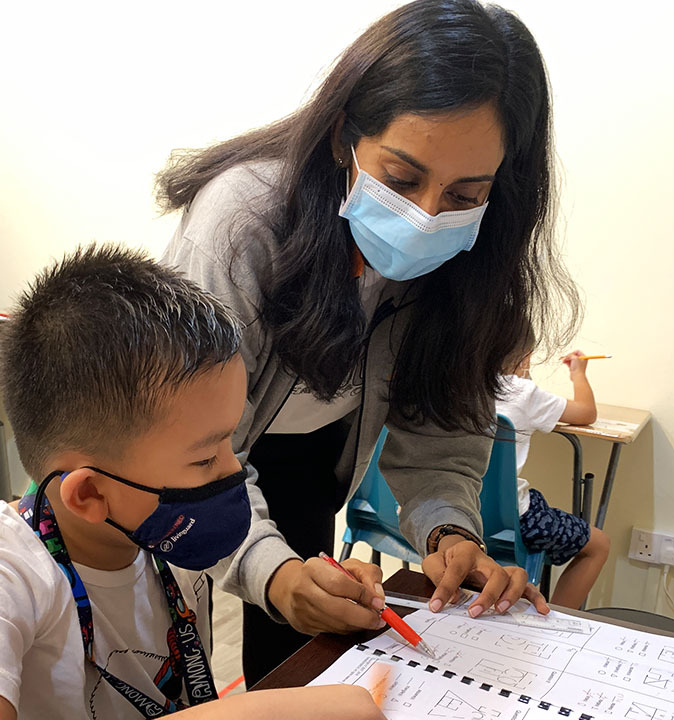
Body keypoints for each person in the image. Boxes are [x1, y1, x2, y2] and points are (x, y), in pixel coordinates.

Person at [157, 0, 578, 684]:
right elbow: (184, 448)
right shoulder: (243, 223)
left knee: (299, 652)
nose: (427, 216)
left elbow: (442, 438)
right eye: (402, 178)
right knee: (175, 652)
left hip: (312, 464)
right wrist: (272, 573)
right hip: (193, 458)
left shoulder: (472, 259)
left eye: (465, 194)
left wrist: (449, 532)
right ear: (342, 137)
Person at [0, 246, 384, 720]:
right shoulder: (13, 576)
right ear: (90, 493)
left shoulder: (167, 538)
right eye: (205, 458)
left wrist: (305, 587)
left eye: (231, 441)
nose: (236, 471)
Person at [496, 347, 611, 608]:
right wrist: (578, 374)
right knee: (598, 545)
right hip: (514, 521)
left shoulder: (452, 385)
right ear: (525, 356)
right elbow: (586, 413)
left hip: (452, 515)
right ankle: (556, 621)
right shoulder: (522, 392)